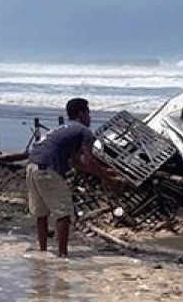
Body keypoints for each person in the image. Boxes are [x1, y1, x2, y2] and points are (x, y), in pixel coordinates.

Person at [26, 98, 122, 258]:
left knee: (41, 213)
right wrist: (108, 177)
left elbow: (76, 162)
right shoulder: (84, 131)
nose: (90, 118)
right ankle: (62, 256)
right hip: (48, 168)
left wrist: (105, 172)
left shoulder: (62, 129)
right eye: (89, 113)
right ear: (81, 113)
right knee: (63, 214)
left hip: (31, 166)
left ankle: (42, 251)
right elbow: (89, 160)